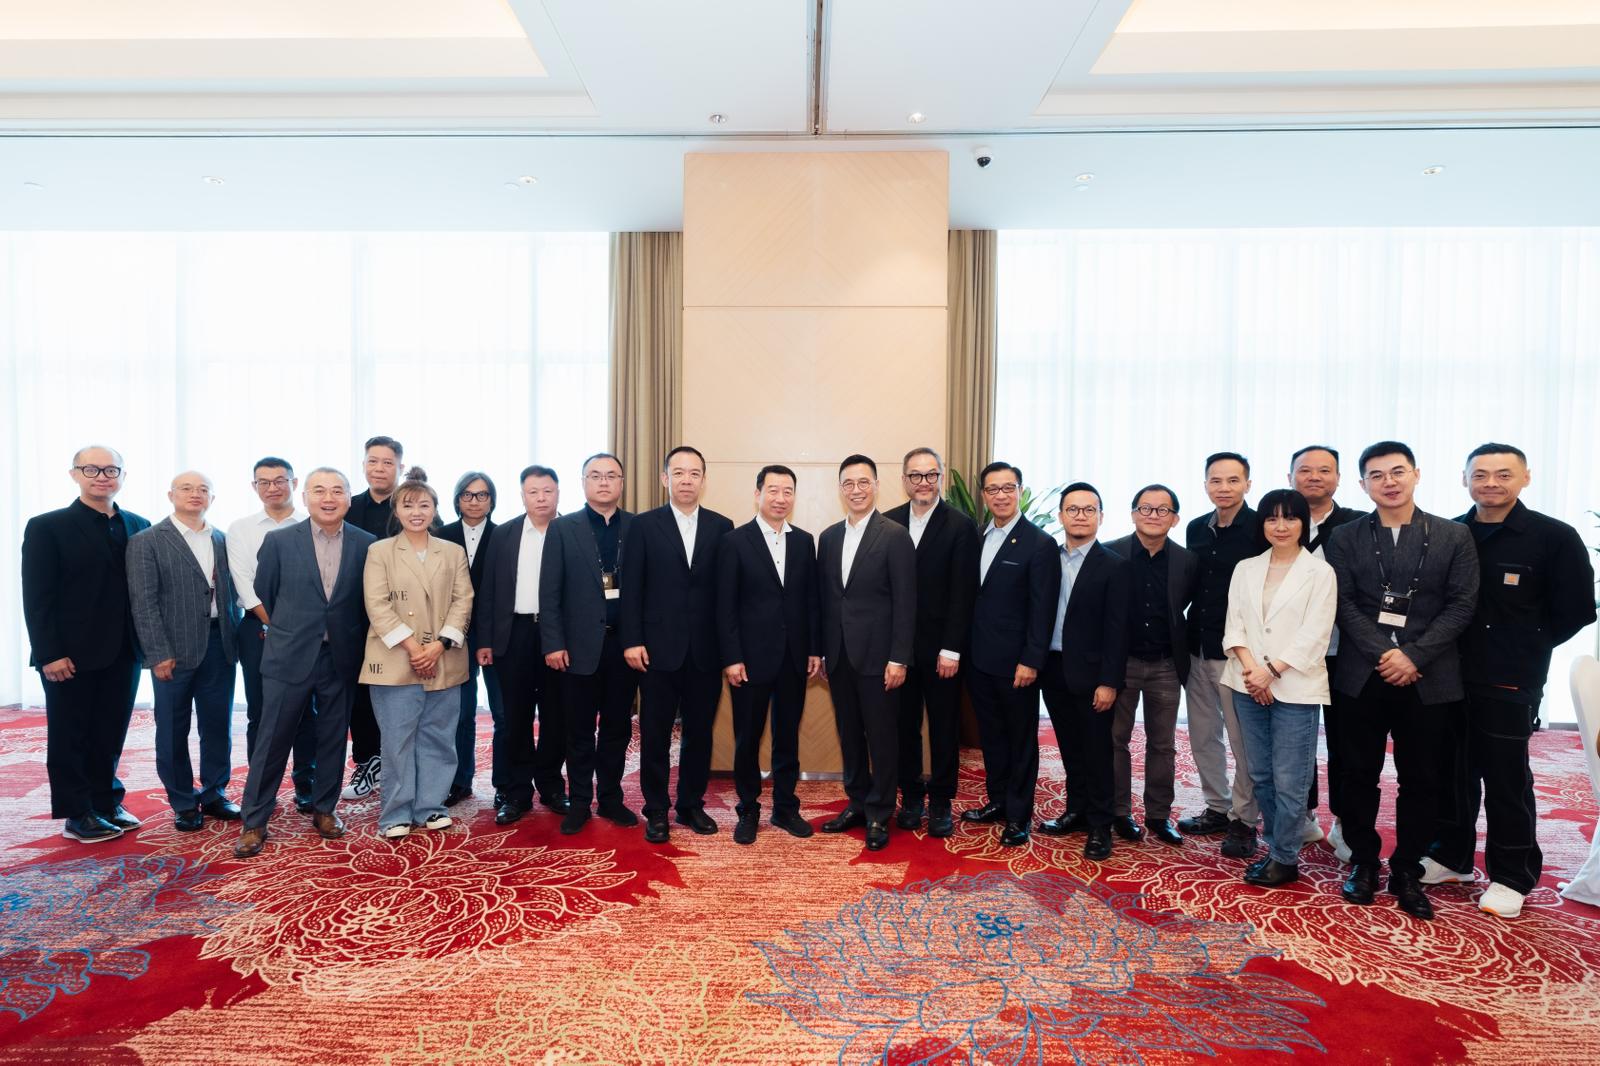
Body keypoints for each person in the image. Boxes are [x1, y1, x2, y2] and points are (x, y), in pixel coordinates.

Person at [1420, 443, 1596, 919]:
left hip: (1509, 678)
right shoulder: (1450, 534)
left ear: (1525, 478)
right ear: (1464, 479)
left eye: (1503, 474)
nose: (1491, 483)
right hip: (1447, 674)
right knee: (1451, 771)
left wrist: (1526, 645)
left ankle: (1512, 875)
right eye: (1481, 475)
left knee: (1505, 776)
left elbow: (1577, 610)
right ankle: (1450, 857)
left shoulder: (1553, 537)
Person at [1325, 441, 1479, 920]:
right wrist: (1385, 653)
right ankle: (1364, 862)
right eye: (1376, 475)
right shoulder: (1345, 537)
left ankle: (1408, 868)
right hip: (1361, 674)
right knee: (1356, 774)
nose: (1388, 482)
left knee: (1423, 778)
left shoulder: (1454, 536)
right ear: (1363, 484)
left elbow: (1461, 605)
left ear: (1416, 474)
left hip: (1429, 676)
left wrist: (1412, 655)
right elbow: (1343, 603)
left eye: (1397, 472)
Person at [234, 468, 376, 858]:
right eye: (319, 491)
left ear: (348, 498)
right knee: (272, 738)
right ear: (306, 496)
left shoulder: (367, 543)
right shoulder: (279, 541)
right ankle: (255, 820)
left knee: (332, 737)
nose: (328, 498)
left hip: (341, 657)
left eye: (337, 491)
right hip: (289, 655)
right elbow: (267, 591)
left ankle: (324, 809)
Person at [21, 446, 150, 843]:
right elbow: (37, 596)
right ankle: (77, 813)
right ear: (74, 474)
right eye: (91, 469)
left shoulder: (139, 524)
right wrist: (48, 653)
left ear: (122, 476)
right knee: (70, 733)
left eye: (111, 469)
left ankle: (105, 800)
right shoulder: (47, 526)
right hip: (69, 653)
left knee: (111, 730)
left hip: (124, 649)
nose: (102, 476)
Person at [1222, 489, 1338, 887]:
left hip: (1296, 687)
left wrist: (1270, 671)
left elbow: (1315, 634)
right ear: (1263, 525)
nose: (1281, 526)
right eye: (1272, 518)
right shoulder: (1246, 568)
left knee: (1291, 779)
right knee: (1261, 774)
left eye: (1290, 518)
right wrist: (1255, 672)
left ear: (1303, 523)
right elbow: (1234, 626)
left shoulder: (1320, 572)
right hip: (1246, 682)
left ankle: (1285, 858)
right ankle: (1275, 846)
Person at [621, 446, 734, 843]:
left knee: (700, 733)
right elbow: (631, 588)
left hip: (705, 651)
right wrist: (631, 639)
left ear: (704, 480)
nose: (686, 480)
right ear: (665, 479)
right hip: (656, 649)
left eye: (694, 473)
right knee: (654, 732)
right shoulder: (643, 526)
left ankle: (690, 805)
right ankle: (656, 810)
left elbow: (726, 595)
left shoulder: (723, 527)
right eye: (679, 473)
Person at [360, 471, 474, 839]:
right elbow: (377, 606)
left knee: (439, 736)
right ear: (396, 509)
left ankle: (431, 806)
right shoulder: (380, 552)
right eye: (408, 505)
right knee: (397, 739)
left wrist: (438, 645)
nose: (416, 511)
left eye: (424, 504)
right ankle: (395, 813)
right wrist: (413, 648)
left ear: (435, 510)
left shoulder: (453, 552)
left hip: (443, 656)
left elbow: (463, 600)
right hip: (396, 658)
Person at [126, 471, 243, 831]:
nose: (196, 494)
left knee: (217, 725)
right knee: (173, 728)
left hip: (219, 645)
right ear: (170, 495)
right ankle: (182, 800)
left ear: (212, 497)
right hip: (172, 652)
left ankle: (214, 793)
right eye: (187, 489)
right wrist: (157, 653)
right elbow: (143, 603)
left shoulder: (223, 539)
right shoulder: (147, 541)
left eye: (203, 489)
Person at [717, 464, 823, 844]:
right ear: (758, 493)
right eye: (773, 490)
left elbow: (811, 600)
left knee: (787, 738)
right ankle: (748, 810)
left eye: (788, 491)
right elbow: (724, 606)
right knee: (747, 738)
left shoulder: (803, 541)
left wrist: (815, 648)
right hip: (748, 660)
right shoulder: (734, 542)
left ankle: (785, 808)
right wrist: (731, 657)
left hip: (793, 658)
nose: (781, 498)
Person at [816, 454, 917, 852]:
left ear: (875, 485)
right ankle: (857, 802)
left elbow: (906, 603)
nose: (856, 490)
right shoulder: (828, 537)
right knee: (850, 736)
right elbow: (827, 602)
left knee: (882, 738)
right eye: (848, 484)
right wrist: (823, 652)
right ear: (840, 489)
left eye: (863, 482)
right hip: (839, 658)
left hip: (880, 660)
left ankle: (879, 812)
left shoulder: (894, 535)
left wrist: (899, 658)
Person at [961, 461, 1060, 848]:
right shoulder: (978, 537)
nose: (1000, 495)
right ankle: (998, 801)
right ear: (984, 495)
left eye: (1008, 488)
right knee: (993, 737)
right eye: (992, 489)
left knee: (1020, 741)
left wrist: (1032, 659)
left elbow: (1043, 609)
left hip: (1017, 664)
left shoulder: (1039, 543)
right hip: (980, 660)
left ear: (1020, 491)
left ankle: (1019, 816)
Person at [540, 453, 640, 835]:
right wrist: (553, 643)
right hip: (577, 648)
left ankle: (611, 799)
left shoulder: (637, 527)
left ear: (622, 482)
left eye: (611, 475)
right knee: (578, 730)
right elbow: (549, 592)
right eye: (595, 476)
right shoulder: (563, 528)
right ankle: (579, 801)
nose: (603, 482)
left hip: (624, 649)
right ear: (583, 483)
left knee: (618, 729)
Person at [883, 447, 979, 838]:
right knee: (904, 726)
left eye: (931, 475)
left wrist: (952, 649)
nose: (924, 483)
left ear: (940, 478)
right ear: (904, 480)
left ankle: (941, 799)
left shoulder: (960, 525)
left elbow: (964, 593)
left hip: (943, 651)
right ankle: (911, 796)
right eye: (916, 476)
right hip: (899, 651)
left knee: (943, 727)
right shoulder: (887, 523)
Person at [1037, 483, 1129, 859]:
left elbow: (1117, 631)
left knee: (1096, 751)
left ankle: (1100, 825)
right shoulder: (1047, 559)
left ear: (1100, 517)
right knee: (1069, 747)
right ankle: (1075, 810)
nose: (1080, 516)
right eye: (1072, 509)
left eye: (1088, 510)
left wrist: (1109, 682)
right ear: (1060, 516)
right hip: (1053, 668)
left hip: (1093, 676)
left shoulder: (1115, 566)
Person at [1180, 452, 1263, 859]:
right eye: (1216, 481)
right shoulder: (1196, 528)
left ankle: (1244, 819)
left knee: (1242, 739)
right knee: (1203, 735)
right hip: (1196, 646)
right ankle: (1216, 807)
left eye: (1233, 480)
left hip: (1238, 652)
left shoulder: (1260, 529)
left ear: (1248, 484)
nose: (1224, 488)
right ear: (1206, 485)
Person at [1105, 484, 1196, 847]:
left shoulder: (1187, 561)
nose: (1153, 515)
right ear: (1132, 513)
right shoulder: (1111, 553)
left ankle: (1159, 815)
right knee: (1115, 741)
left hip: (1165, 665)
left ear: (1174, 519)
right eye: (1145, 508)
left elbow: (1183, 608)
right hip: (1121, 663)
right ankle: (1119, 812)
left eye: (1162, 510)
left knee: (1163, 744)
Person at [476, 466, 568, 824]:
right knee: (514, 717)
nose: (541, 498)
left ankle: (551, 785)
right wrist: (484, 640)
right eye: (533, 492)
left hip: (556, 636)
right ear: (522, 495)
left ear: (558, 493)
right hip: (513, 634)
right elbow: (489, 590)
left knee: (555, 716)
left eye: (547, 491)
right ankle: (516, 793)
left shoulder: (572, 531)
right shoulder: (505, 534)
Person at [226, 457, 317, 814]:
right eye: (264, 482)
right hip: (258, 627)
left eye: (280, 480)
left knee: (308, 710)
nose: (272, 487)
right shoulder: (241, 528)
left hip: (310, 630)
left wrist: (298, 628)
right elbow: (245, 584)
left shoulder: (313, 523)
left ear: (294, 484)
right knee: (261, 711)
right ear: (254, 487)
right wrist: (277, 626)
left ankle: (306, 784)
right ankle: (262, 787)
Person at [1289, 445, 1364, 860]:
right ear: (1290, 477)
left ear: (1339, 479)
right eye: (1304, 470)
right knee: (1294, 738)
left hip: (1343, 650)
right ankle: (1301, 815)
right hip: (1290, 652)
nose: (1314, 477)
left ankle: (1345, 822)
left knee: (1345, 740)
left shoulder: (1356, 524)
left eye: (1324, 470)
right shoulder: (1279, 521)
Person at [342, 434, 414, 800]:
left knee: (400, 693)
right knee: (360, 694)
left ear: (400, 467)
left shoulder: (414, 507)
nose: (379, 468)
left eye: (387, 462)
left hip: (404, 619)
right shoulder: (346, 507)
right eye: (373, 461)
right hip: (355, 618)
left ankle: (401, 766)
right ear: (364, 465)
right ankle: (367, 763)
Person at [437, 470, 500, 806]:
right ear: (457, 499)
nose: (475, 501)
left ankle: (504, 785)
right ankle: (459, 781)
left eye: (482, 495)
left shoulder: (504, 535)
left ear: (492, 500)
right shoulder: (440, 536)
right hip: (453, 634)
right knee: (460, 712)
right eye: (468, 495)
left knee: (503, 713)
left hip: (496, 634)